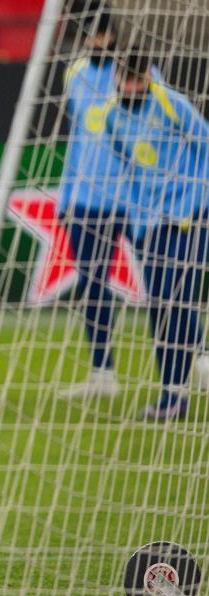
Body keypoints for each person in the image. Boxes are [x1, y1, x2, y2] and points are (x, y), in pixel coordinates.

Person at [105, 52, 209, 419]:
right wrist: (135, 218)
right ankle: (177, 389)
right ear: (116, 80)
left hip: (189, 217)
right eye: (125, 79)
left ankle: (176, 392)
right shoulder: (112, 117)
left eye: (138, 79)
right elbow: (124, 167)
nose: (131, 86)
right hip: (149, 223)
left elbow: (206, 146)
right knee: (160, 307)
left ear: (149, 78)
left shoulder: (172, 104)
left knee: (177, 299)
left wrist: (196, 201)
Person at [57, 1, 129, 399]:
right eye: (90, 34)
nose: (96, 40)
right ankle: (103, 374)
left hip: (133, 198)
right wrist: (66, 195)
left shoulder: (137, 74)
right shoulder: (76, 74)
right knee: (93, 286)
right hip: (84, 199)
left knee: (166, 283)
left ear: (113, 35)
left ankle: (199, 359)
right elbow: (78, 138)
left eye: (102, 33)